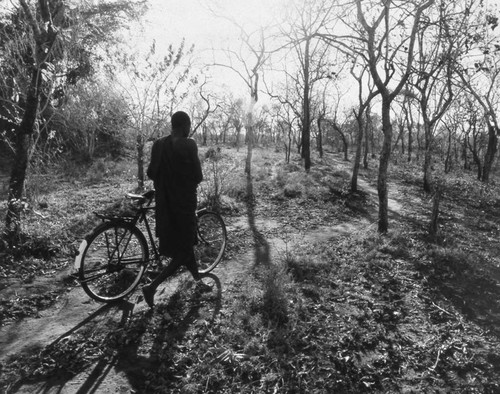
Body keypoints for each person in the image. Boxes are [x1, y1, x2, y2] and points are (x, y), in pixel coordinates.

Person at [142, 111, 209, 308]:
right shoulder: (189, 144)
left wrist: (167, 182)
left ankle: (198, 281)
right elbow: (198, 176)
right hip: (184, 204)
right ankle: (151, 287)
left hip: (165, 205)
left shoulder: (158, 144)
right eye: (189, 126)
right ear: (186, 126)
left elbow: (151, 172)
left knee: (185, 246)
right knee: (184, 250)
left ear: (172, 125)